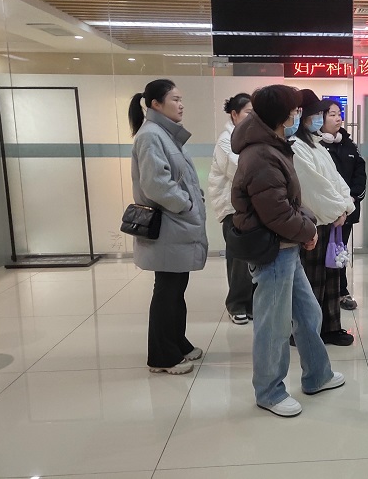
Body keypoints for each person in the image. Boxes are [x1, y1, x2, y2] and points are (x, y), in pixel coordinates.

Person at [231, 84, 344, 417]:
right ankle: (269, 391)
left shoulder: (274, 146)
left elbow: (289, 200)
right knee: (274, 326)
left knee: (308, 313)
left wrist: (307, 224)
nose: (300, 115)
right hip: (273, 250)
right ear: (283, 116)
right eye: (295, 110)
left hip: (286, 247)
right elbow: (276, 213)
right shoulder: (261, 155)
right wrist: (308, 230)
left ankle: (317, 375)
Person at [128, 79, 208, 375]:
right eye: (175, 99)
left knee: (175, 289)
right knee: (167, 290)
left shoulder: (164, 134)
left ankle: (177, 343)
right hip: (169, 226)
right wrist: (186, 204)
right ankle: (162, 357)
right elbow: (156, 184)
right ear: (155, 104)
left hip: (176, 226)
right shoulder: (151, 135)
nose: (181, 105)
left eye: (181, 99)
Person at [291, 89, 356, 346]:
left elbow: (336, 181)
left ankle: (330, 328)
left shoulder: (315, 143)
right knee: (311, 282)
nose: (319, 118)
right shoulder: (296, 146)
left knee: (331, 278)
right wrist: (338, 209)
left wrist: (345, 207)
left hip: (329, 220)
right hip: (313, 223)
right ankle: (307, 333)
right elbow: (313, 188)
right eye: (316, 114)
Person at [208, 93, 254, 325]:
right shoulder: (226, 140)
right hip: (231, 207)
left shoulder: (248, 138)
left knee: (251, 257)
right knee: (238, 259)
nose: (252, 117)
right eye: (248, 112)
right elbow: (239, 171)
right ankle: (236, 304)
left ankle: (250, 303)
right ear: (234, 114)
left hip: (248, 208)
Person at [319, 100, 366, 310]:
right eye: (332, 114)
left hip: (347, 210)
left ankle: (341, 291)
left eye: (339, 114)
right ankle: (322, 292)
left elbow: (360, 174)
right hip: (324, 211)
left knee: (340, 250)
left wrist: (352, 200)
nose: (338, 118)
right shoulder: (315, 146)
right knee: (322, 253)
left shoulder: (349, 144)